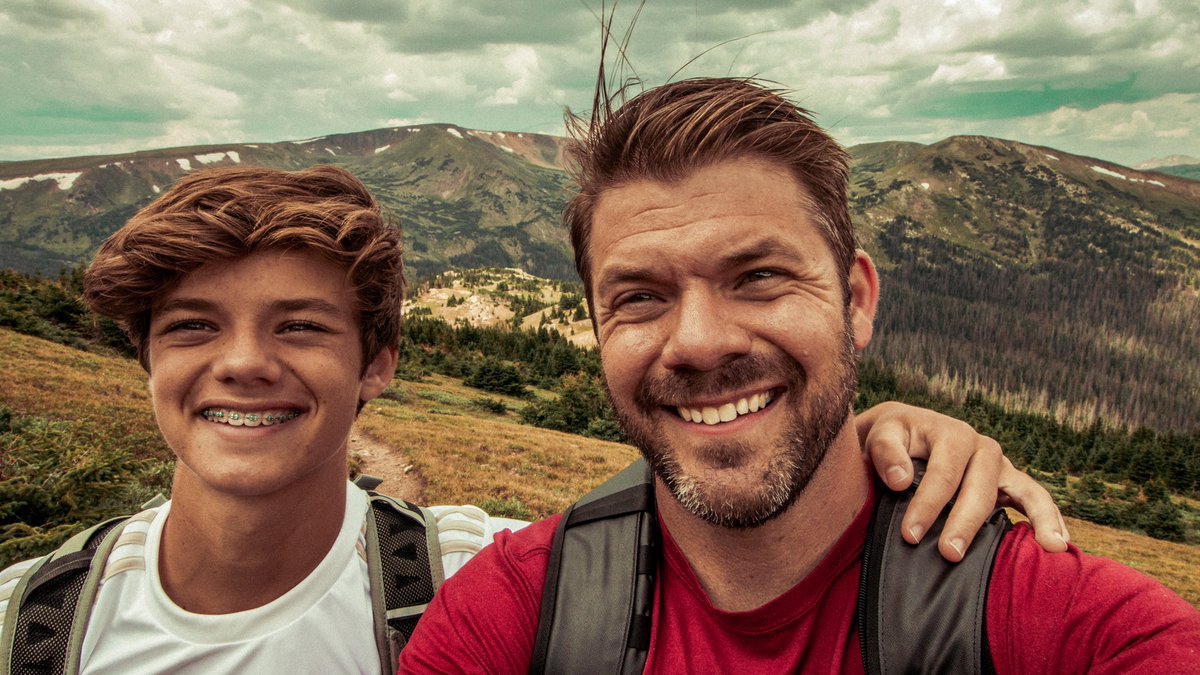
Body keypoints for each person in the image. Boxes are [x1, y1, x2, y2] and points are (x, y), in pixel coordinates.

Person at [0, 166, 1065, 674]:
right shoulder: (28, 625)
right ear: (141, 357)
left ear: (379, 363)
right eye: (190, 328)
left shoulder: (488, 580)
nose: (242, 364)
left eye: (298, 327)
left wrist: (880, 431)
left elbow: (720, 525)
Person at [398, 78, 1200, 674]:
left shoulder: (1056, 623)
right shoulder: (511, 618)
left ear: (855, 300)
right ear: (598, 328)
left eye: (758, 277)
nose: (701, 342)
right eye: (640, 295)